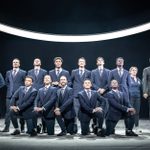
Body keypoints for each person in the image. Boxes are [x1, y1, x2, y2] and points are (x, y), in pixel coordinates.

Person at [1, 58, 26, 132]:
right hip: (9, 95)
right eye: (14, 62)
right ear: (12, 64)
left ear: (19, 64)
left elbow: (25, 83)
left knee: (21, 111)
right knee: (8, 112)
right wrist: (10, 89)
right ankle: (6, 127)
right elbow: (6, 82)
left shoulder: (23, 72)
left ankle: (22, 127)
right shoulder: (8, 72)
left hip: (19, 96)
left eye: (16, 62)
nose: (15, 63)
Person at [71, 57, 91, 133]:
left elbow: (90, 83)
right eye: (80, 61)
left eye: (83, 61)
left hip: (85, 95)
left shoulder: (88, 72)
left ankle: (86, 127)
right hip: (76, 95)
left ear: (85, 63)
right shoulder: (74, 71)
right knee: (75, 111)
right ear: (78, 63)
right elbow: (70, 81)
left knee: (86, 111)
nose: (81, 63)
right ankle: (75, 126)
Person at [28, 58, 47, 133]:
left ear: (40, 63)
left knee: (43, 111)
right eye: (35, 61)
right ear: (33, 63)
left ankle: (44, 127)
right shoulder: (29, 72)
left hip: (42, 94)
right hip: (32, 93)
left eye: (38, 61)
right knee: (33, 110)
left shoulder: (44, 71)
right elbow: (29, 82)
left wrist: (42, 91)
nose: (37, 62)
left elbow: (45, 81)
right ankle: (35, 127)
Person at [128, 67, 142, 132]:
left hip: (137, 97)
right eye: (133, 70)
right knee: (131, 112)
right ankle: (129, 127)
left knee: (137, 112)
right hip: (130, 97)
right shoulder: (128, 79)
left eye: (136, 70)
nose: (134, 71)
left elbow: (141, 87)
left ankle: (136, 126)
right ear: (130, 71)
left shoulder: (138, 79)